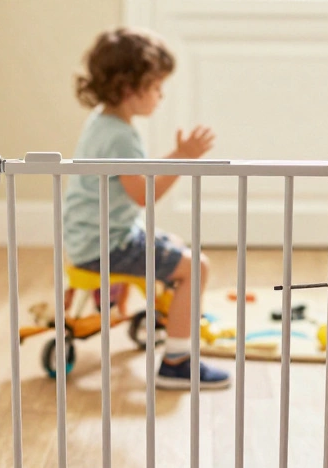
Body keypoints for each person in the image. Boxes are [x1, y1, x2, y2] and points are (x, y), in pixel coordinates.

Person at [64, 28, 230, 390]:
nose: (161, 95)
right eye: (156, 86)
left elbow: (135, 178)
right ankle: (177, 361)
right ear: (129, 88)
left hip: (88, 238)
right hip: (107, 246)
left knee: (174, 245)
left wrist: (178, 155)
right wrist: (183, 159)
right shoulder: (121, 136)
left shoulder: (102, 121)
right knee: (197, 268)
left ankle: (172, 315)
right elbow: (143, 195)